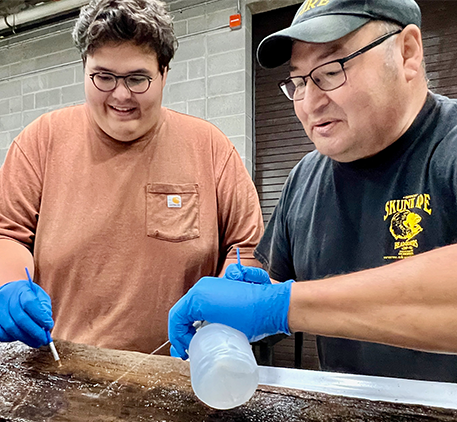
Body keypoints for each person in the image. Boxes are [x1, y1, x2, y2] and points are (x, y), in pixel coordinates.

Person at [168, 0, 457, 385]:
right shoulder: (306, 178)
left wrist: (282, 305)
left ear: (407, 52)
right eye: (299, 82)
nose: (310, 103)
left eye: (330, 71)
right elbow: (272, 285)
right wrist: (234, 311)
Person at [0, 0, 263, 355]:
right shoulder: (41, 140)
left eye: (137, 79)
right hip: (62, 371)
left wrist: (227, 305)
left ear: (164, 73)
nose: (120, 95)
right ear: (84, 68)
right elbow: (7, 234)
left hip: (181, 373)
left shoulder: (210, 147)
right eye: (104, 77)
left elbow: (245, 246)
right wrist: (9, 286)